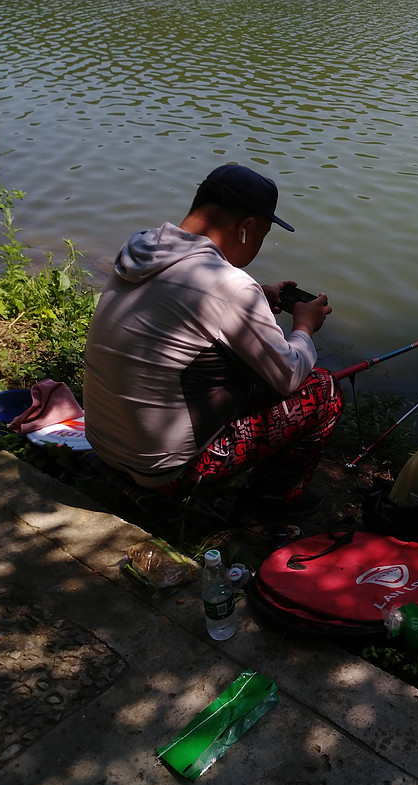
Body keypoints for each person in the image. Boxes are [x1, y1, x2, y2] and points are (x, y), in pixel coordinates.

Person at [83, 164, 342, 524]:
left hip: (101, 443)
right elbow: (288, 376)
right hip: (161, 471)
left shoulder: (140, 248)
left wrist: (257, 300)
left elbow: (186, 305)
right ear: (245, 228)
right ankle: (271, 500)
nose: (258, 244)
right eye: (262, 235)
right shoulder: (229, 287)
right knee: (322, 390)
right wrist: (304, 325)